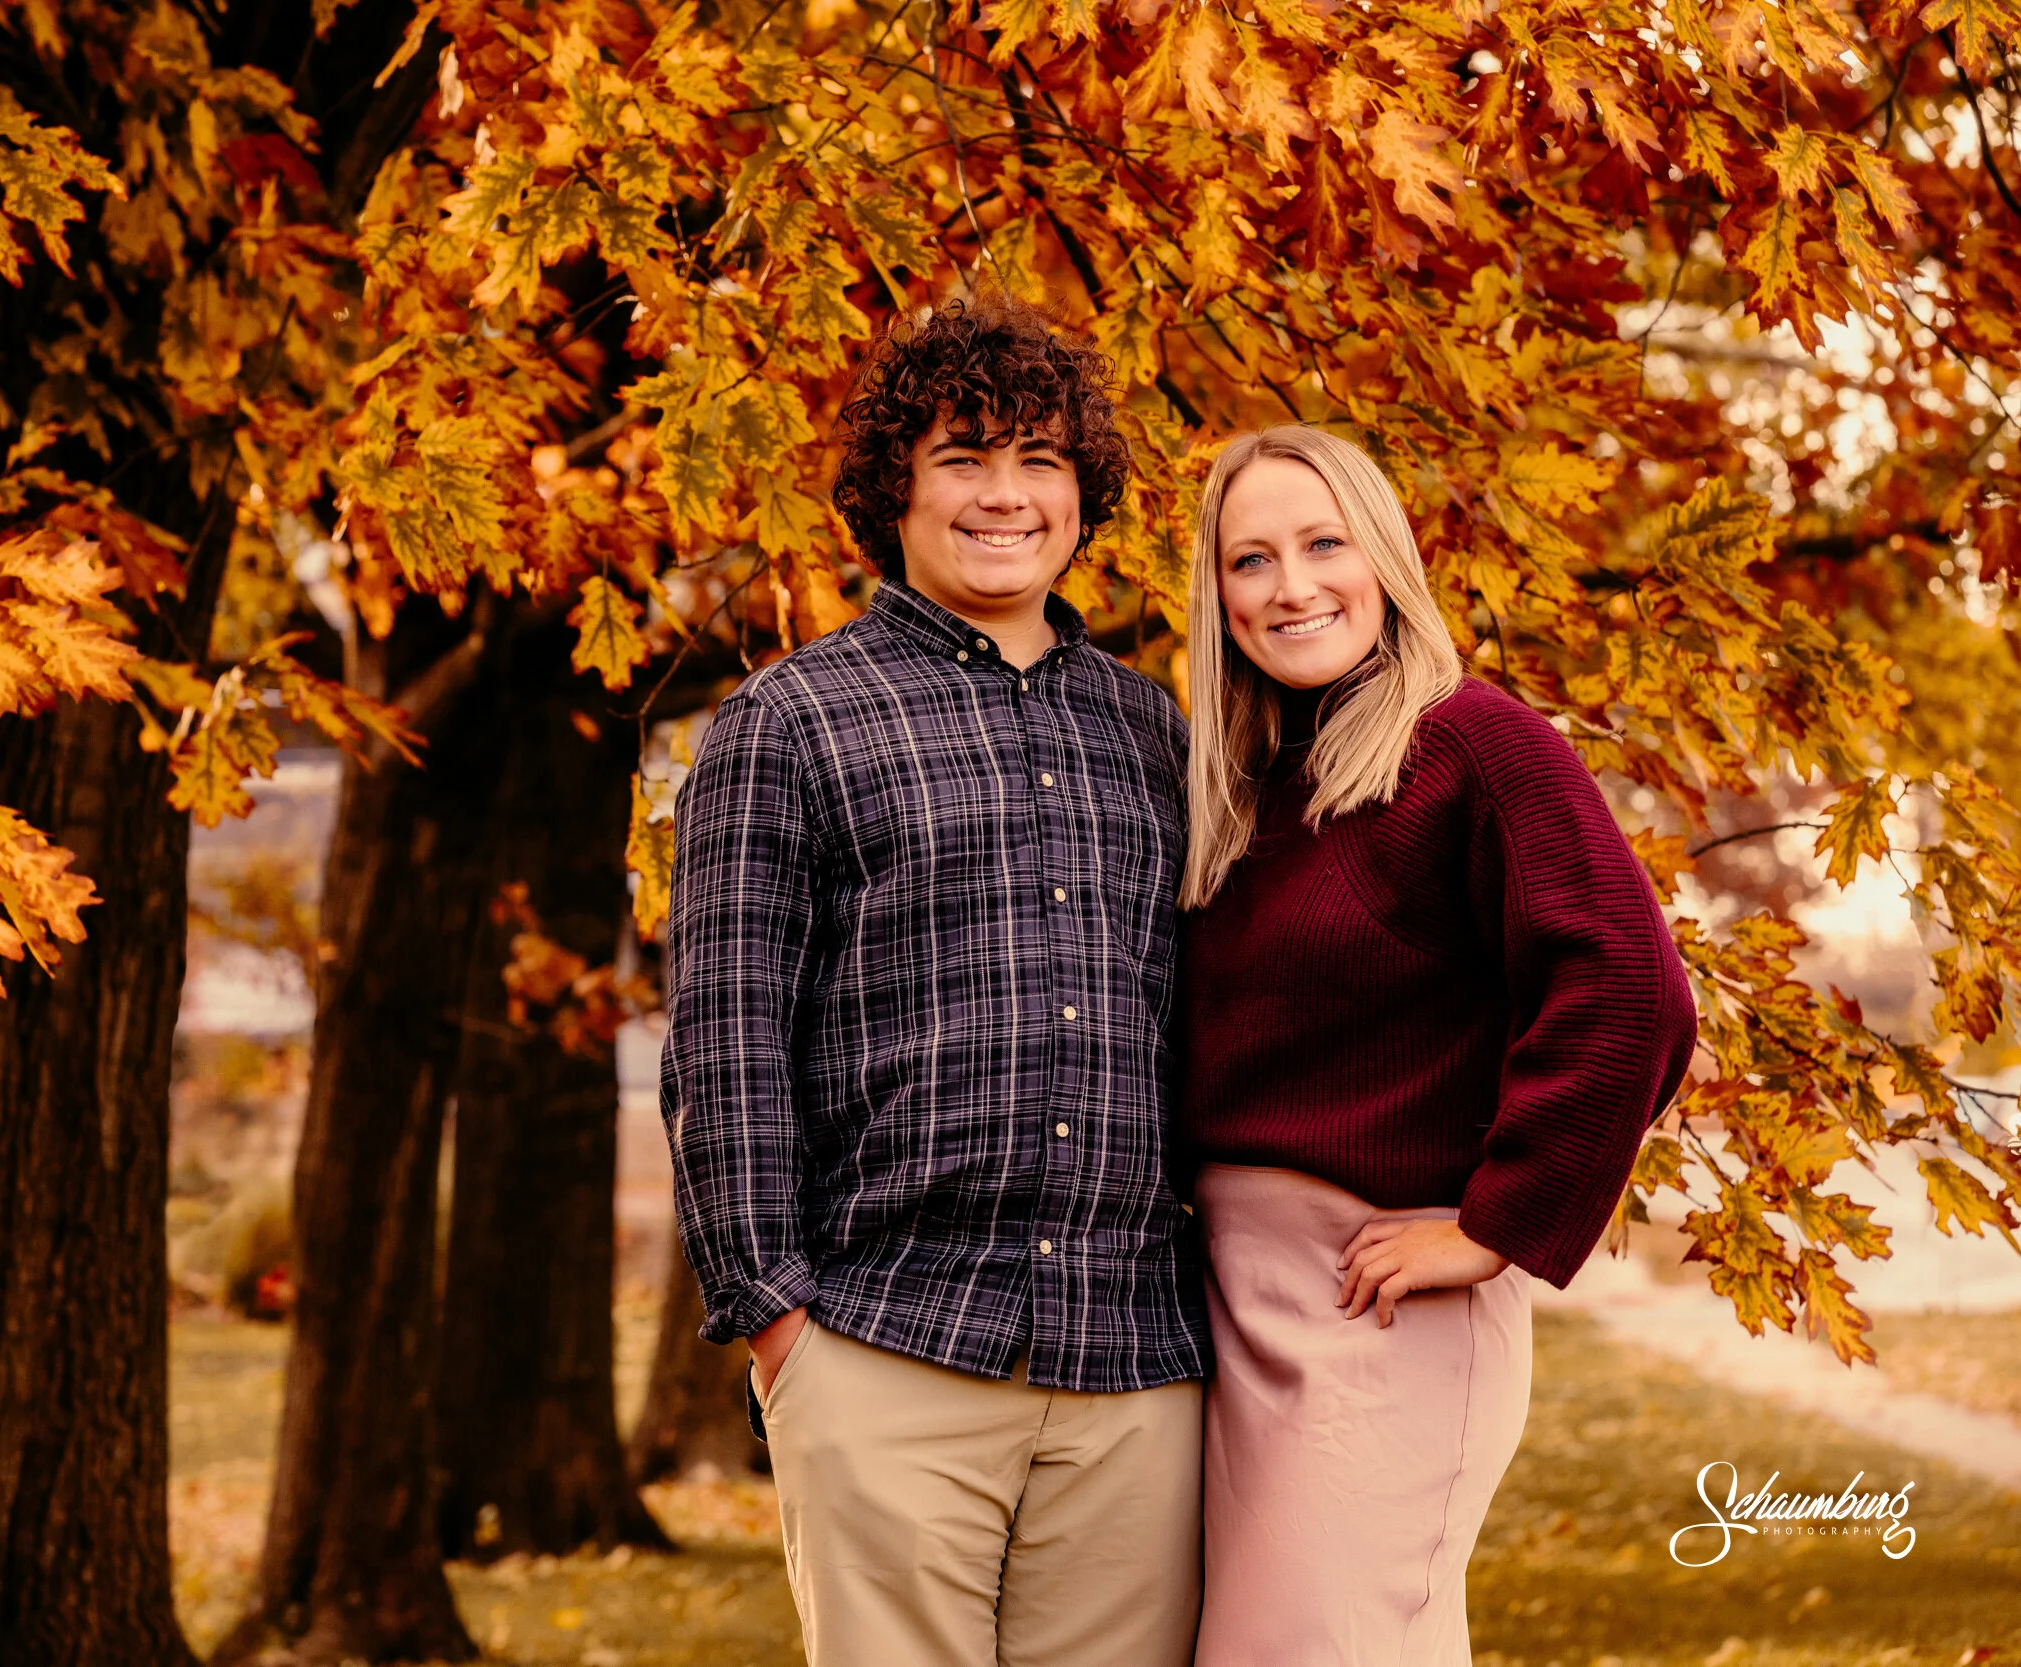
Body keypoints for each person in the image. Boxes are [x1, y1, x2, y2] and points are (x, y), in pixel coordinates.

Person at [660, 295, 1208, 1667]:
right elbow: (723, 1048)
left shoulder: (1154, 729)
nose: (1005, 493)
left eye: (1039, 458)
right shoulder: (786, 723)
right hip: (885, 1340)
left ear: (1084, 492)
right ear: (893, 486)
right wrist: (781, 1328)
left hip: (1132, 1360)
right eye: (965, 455)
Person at [1174, 425, 1697, 1665]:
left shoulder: (1472, 742)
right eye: (1250, 559)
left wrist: (1493, 1223)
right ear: (1219, 596)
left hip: (1379, 1293)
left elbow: (1631, 988)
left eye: (1321, 543)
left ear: (1384, 556)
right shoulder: (1247, 788)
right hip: (1225, 1299)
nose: (1290, 585)